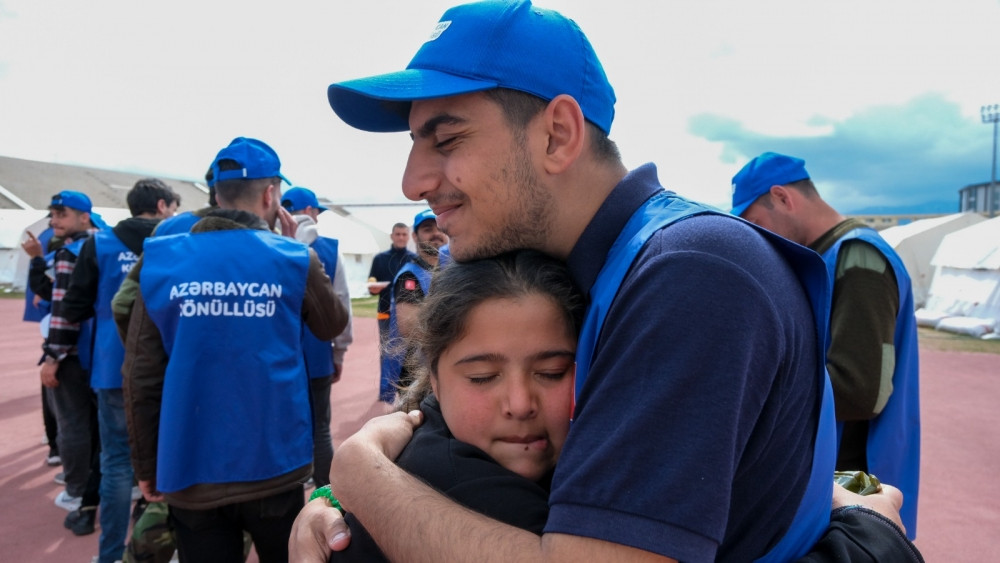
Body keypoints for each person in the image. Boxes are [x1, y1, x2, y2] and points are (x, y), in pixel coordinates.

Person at [292, 1, 919, 561]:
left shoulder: (690, 271)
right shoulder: (574, 261)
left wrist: (357, 475)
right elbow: (436, 417)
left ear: (559, 135)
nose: (413, 182)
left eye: (446, 138)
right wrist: (331, 498)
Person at [121, 137, 349, 562]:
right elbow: (331, 324)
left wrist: (146, 464)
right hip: (273, 462)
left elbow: (140, 373)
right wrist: (301, 247)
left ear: (216, 193)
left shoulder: (161, 258)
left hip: (189, 466)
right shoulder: (293, 257)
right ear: (270, 195)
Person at [325, 249, 582, 561]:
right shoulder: (485, 495)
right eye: (482, 377)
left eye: (551, 372)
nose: (520, 403)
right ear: (434, 378)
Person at [731, 151, 921, 538]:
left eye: (755, 222)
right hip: (838, 479)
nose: (756, 235)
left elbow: (861, 389)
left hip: (857, 484)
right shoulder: (828, 256)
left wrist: (760, 387)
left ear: (783, 198)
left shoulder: (858, 257)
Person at [60, 178, 180, 563]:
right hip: (167, 367)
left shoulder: (99, 244)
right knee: (171, 459)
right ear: (162, 206)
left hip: (113, 369)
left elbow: (73, 306)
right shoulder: (176, 243)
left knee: (114, 464)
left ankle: (110, 554)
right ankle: (169, 547)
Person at [38, 191, 108, 536]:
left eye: (61, 214)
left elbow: (64, 312)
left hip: (74, 354)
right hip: (104, 355)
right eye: (52, 214)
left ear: (85, 216)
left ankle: (77, 491)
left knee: (73, 426)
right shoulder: (107, 246)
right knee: (100, 428)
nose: (54, 221)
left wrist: (53, 356)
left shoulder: (68, 253)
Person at [281, 186, 355, 488]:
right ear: (310, 211)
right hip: (317, 353)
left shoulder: (271, 246)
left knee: (284, 424)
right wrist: (339, 352)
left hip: (279, 355)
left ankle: (292, 481)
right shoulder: (329, 249)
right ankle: (325, 490)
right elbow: (342, 303)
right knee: (320, 427)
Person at [379, 208, 448, 402]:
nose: (436, 233)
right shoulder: (410, 275)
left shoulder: (452, 270)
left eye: (439, 227)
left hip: (443, 368)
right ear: (415, 237)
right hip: (419, 374)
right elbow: (409, 328)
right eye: (427, 229)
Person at [366, 222, 415, 349]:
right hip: (385, 314)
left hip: (408, 314)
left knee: (409, 354)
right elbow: (372, 285)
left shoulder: (414, 260)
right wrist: (373, 290)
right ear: (391, 236)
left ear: (408, 237)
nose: (401, 237)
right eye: (398, 234)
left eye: (404, 234)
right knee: (387, 351)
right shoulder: (379, 259)